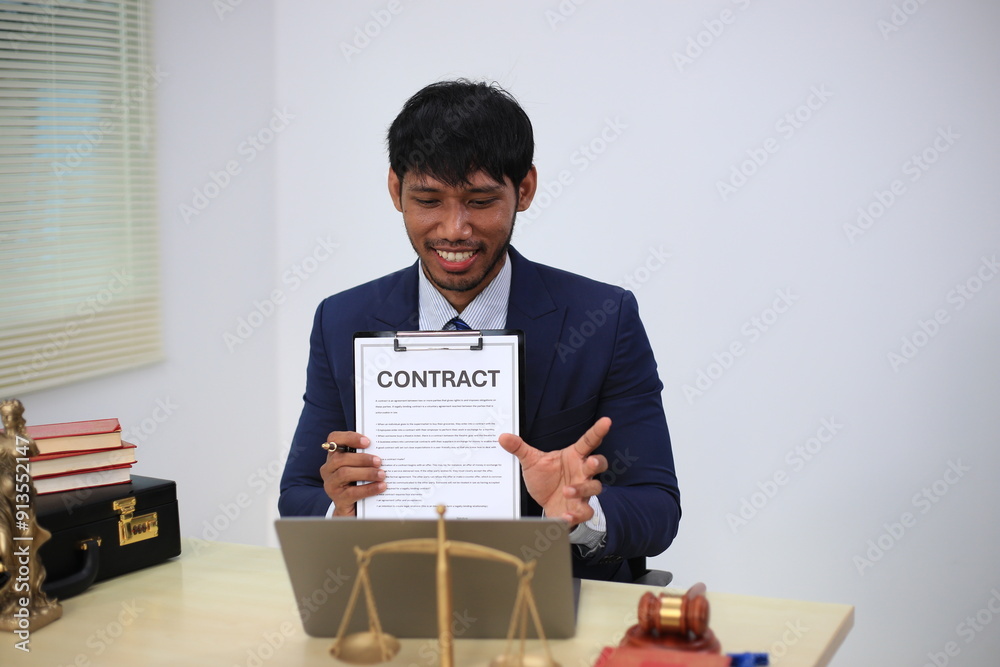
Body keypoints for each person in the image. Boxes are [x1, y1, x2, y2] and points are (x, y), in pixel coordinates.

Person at [278, 80, 680, 581]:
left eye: (481, 201)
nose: (454, 229)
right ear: (395, 189)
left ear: (524, 189)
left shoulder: (603, 318)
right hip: (397, 593)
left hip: (550, 599)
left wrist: (581, 514)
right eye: (428, 200)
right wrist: (341, 510)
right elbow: (298, 495)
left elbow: (657, 507)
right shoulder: (341, 320)